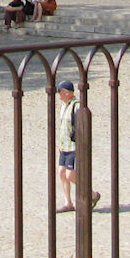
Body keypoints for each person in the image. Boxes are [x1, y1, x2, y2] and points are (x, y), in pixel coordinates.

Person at [54, 79, 100, 213]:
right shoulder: (64, 106)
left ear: (67, 93)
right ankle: (68, 202)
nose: (58, 94)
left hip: (74, 147)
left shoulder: (77, 106)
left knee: (70, 175)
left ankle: (92, 194)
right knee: (62, 173)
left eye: (60, 91)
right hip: (65, 146)